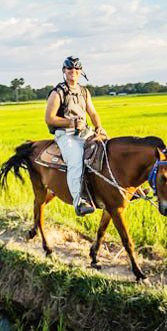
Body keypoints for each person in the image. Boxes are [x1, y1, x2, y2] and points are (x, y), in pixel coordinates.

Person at [45, 56, 106, 216]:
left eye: (76, 69)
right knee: (75, 159)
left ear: (81, 71)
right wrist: (70, 123)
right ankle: (79, 200)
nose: (73, 72)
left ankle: (123, 188)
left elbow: (92, 112)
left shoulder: (84, 91)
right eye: (70, 69)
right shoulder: (58, 92)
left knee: (107, 147)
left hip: (84, 131)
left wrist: (98, 126)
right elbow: (49, 118)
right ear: (64, 71)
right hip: (65, 133)